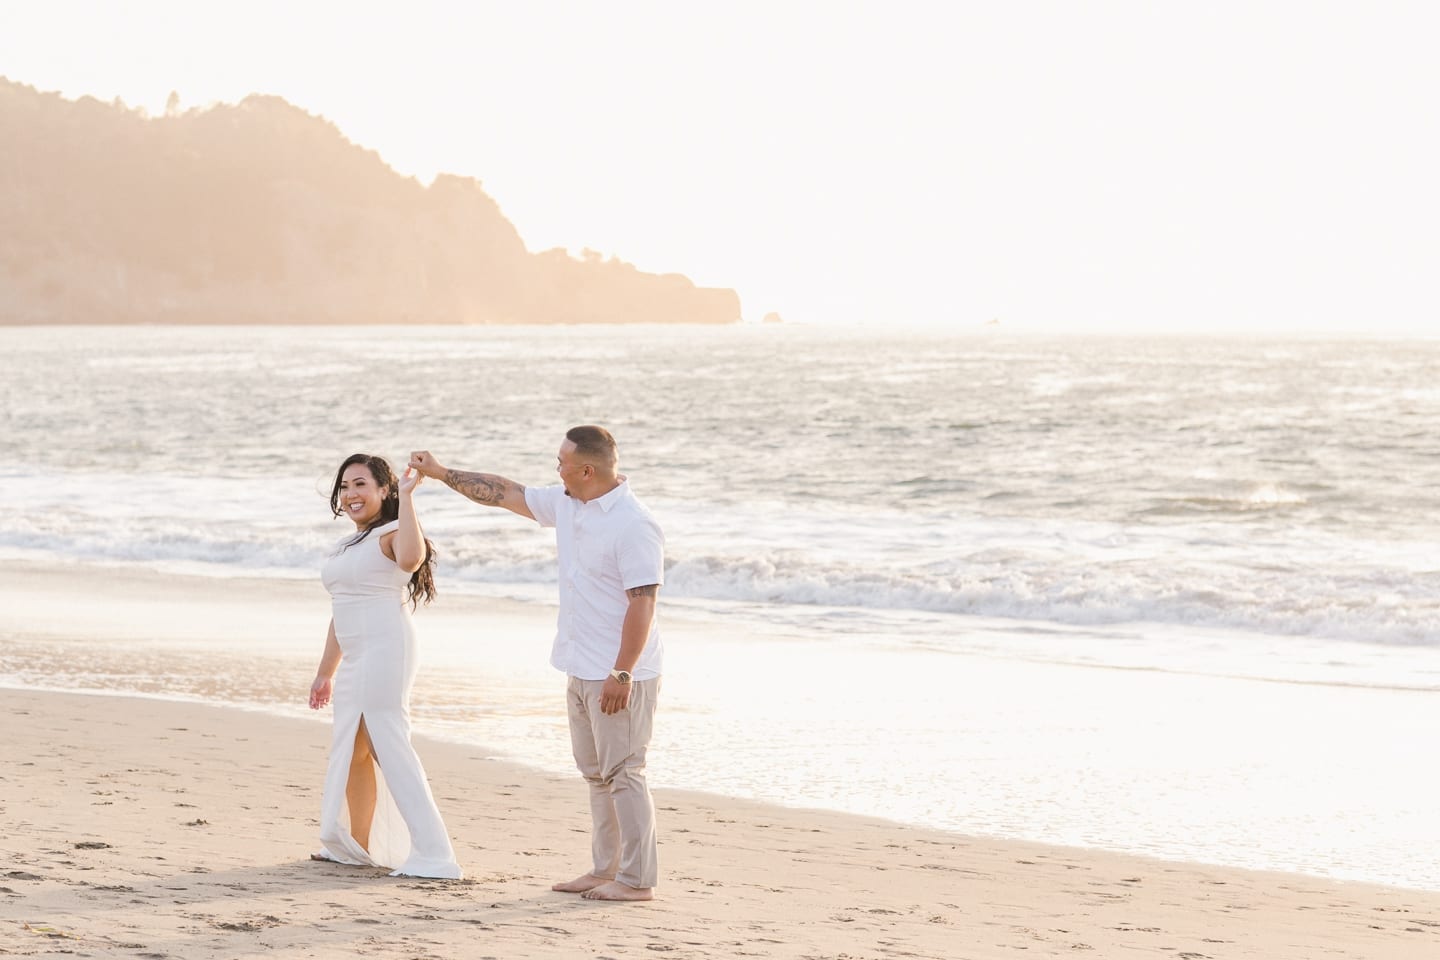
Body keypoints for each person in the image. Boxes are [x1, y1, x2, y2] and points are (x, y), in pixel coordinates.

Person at [409, 425, 664, 902]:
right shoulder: (569, 503)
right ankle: (604, 868)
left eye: (561, 461)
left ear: (587, 469)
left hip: (621, 672)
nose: (556, 468)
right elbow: (506, 493)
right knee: (596, 774)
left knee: (626, 772)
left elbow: (643, 603)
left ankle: (636, 880)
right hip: (579, 663)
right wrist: (441, 473)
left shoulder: (633, 523)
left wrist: (622, 671)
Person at [308, 453, 463, 880]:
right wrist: (326, 672)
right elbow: (340, 613)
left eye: (360, 485)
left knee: (386, 745)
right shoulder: (347, 544)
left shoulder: (395, 531)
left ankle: (434, 852)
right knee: (354, 750)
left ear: (384, 490)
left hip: (386, 649)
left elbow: (412, 560)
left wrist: (410, 499)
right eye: (345, 486)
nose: (350, 494)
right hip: (355, 656)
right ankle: (356, 847)